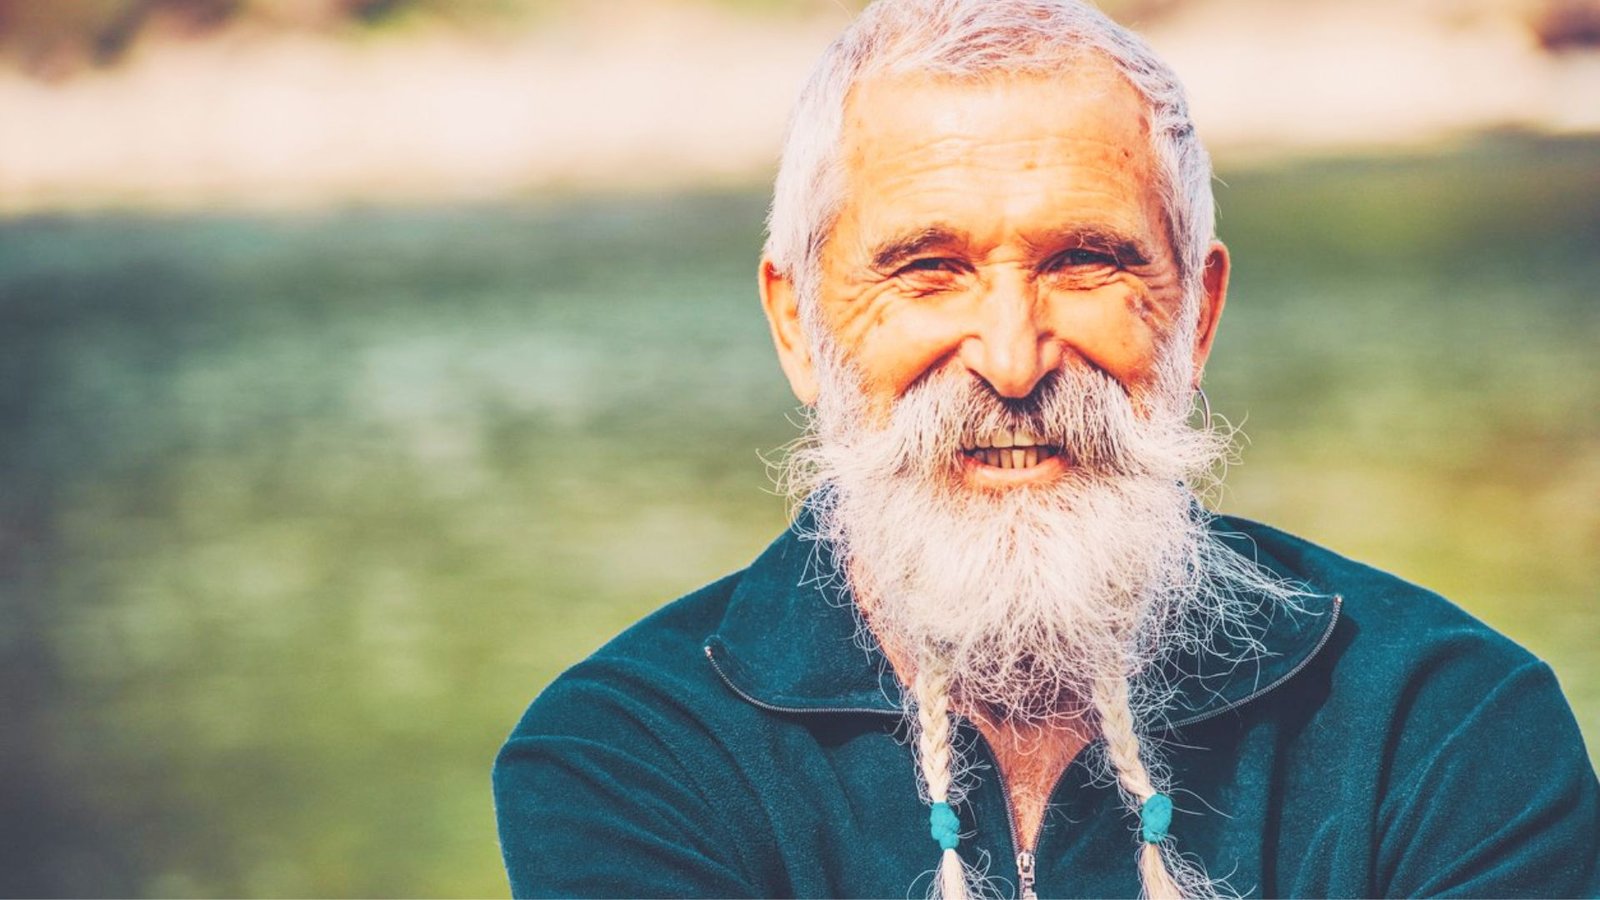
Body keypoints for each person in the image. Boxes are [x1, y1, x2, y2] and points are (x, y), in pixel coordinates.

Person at [492, 0, 1600, 896]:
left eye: (1085, 261)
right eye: (926, 269)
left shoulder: (1447, 725)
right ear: (798, 325)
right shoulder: (628, 757)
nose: (1013, 360)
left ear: (1194, 316)